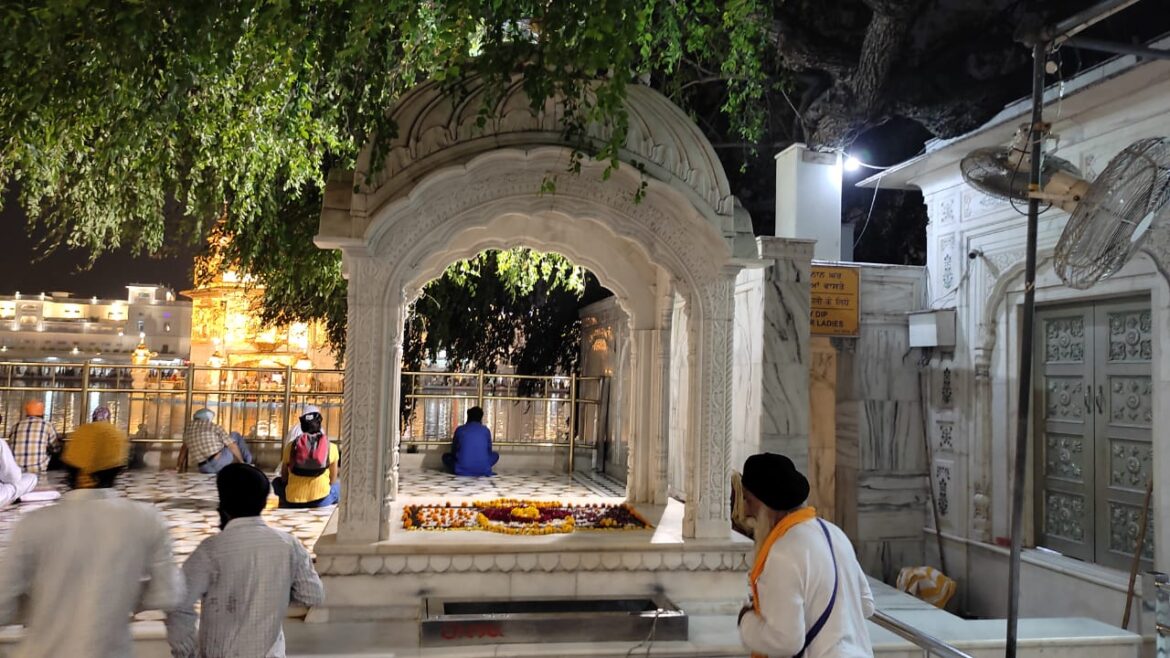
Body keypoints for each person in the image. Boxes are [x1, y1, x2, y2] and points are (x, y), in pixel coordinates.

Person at [0, 413, 183, 657]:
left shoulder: (35, 524)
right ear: (120, 469)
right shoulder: (146, 520)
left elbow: (2, 604)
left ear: (68, 465)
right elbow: (168, 593)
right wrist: (118, 593)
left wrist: (45, 601)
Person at [167, 463, 325, 657]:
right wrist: (274, 595)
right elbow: (313, 595)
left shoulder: (212, 549)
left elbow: (179, 603)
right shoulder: (288, 544)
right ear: (263, 502)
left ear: (223, 502)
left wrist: (187, 651)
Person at [737, 453, 874, 658]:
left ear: (766, 503)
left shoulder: (783, 552)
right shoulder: (835, 534)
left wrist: (746, 621)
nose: (746, 511)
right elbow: (866, 605)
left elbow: (786, 642)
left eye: (748, 500)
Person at [273, 408, 339, 508]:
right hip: (321, 500)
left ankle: (284, 501)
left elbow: (284, 477)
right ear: (319, 426)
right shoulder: (331, 447)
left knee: (276, 482)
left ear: (302, 427)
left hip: (292, 500)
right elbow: (333, 479)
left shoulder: (291, 446)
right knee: (338, 488)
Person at [183, 408, 253, 474]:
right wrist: (241, 461)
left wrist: (178, 466)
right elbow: (232, 445)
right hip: (219, 463)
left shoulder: (188, 430)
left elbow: (184, 448)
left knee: (225, 443)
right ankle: (247, 462)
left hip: (204, 468)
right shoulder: (213, 427)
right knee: (234, 435)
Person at [442, 406, 498, 477]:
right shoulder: (485, 430)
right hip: (483, 469)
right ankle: (481, 467)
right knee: (495, 455)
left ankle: (465, 466)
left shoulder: (460, 429)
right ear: (481, 418)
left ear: (468, 417)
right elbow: (489, 451)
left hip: (461, 469)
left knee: (445, 457)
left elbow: (454, 450)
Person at [9, 399, 60, 474]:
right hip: (38, 469)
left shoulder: (16, 425)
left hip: (16, 469)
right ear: (42, 412)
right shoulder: (47, 425)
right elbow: (56, 448)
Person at [0, 414, 38, 508]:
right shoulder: (0, 443)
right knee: (31, 478)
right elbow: (12, 477)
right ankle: (12, 496)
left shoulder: (16, 426)